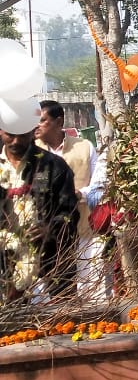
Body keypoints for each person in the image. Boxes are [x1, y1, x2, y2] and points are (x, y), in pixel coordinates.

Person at [1, 117, 78, 300]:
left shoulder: (53, 165)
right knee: (11, 319)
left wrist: (50, 229)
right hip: (5, 257)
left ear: (33, 132)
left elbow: (70, 212)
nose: (16, 141)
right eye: (10, 135)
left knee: (65, 314)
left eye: (22, 135)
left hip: (51, 254)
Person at [35, 101, 97, 293]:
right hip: (42, 235)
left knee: (88, 287)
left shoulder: (84, 147)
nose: (37, 125)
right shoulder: (31, 152)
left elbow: (99, 183)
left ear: (58, 122)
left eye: (43, 120)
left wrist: (81, 193)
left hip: (83, 229)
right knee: (45, 293)